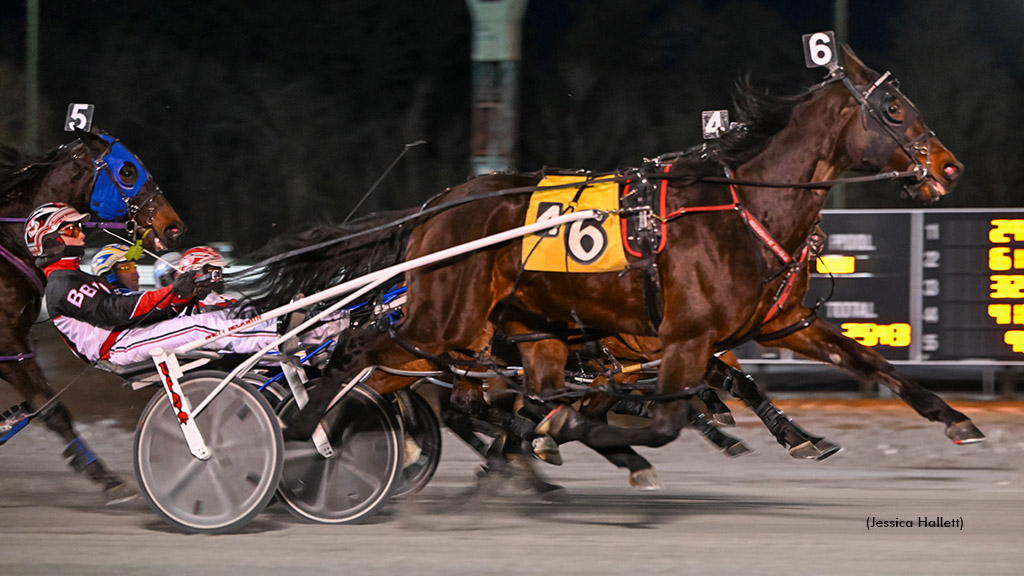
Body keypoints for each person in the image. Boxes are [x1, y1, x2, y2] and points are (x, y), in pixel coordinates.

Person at [25, 202, 343, 366]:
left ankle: (323, 325)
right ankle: (300, 336)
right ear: (51, 240)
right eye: (72, 228)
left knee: (218, 316)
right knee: (206, 326)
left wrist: (182, 297)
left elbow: (133, 310)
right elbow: (116, 311)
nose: (81, 232)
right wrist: (172, 293)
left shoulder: (75, 278)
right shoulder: (61, 285)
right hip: (120, 347)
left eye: (80, 227)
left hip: (132, 335)